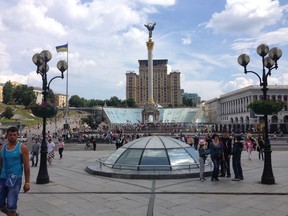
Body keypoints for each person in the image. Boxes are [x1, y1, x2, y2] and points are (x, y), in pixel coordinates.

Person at [0, 126, 30, 216]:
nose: (12, 137)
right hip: (2, 178)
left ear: (17, 135)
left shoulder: (22, 148)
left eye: (14, 135)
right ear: (7, 135)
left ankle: (13, 213)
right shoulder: (2, 148)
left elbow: (26, 166)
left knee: (11, 205)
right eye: (10, 135)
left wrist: (27, 182)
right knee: (1, 205)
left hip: (15, 179)